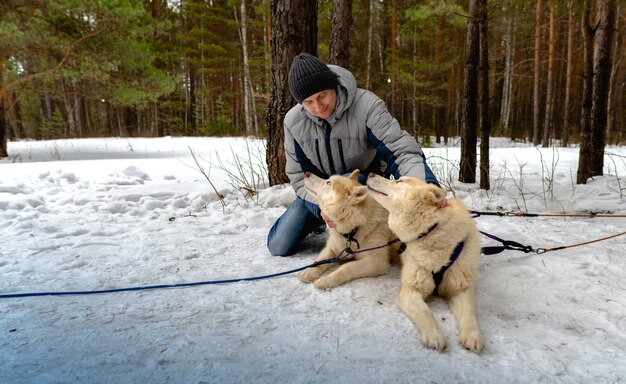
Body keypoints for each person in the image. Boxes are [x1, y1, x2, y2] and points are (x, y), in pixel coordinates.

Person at [267, 52, 438, 256]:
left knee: (352, 184)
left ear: (334, 86)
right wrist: (322, 209)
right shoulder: (293, 122)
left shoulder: (366, 106)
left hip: (361, 188)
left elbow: (402, 151)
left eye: (322, 96)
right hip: (322, 195)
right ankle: (323, 223)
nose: (318, 106)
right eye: (308, 102)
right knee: (278, 246)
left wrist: (424, 190)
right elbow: (297, 177)